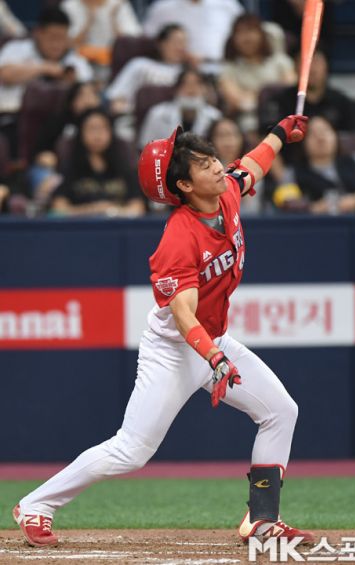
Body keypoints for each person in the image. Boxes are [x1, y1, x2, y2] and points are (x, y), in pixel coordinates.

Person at [13, 112, 312, 547]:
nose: (217, 166)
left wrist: (281, 132)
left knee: (281, 411)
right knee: (131, 450)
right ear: (185, 186)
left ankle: (263, 519)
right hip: (173, 350)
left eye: (212, 158)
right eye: (204, 164)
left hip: (213, 341)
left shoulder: (226, 191)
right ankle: (36, 505)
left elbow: (253, 164)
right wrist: (213, 356)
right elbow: (184, 314)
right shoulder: (178, 238)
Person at [0, 7, 93, 158]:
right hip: (12, 120)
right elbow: (5, 74)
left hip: (57, 126)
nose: (57, 44)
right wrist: (45, 68)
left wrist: (73, 85)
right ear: (38, 33)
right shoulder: (17, 49)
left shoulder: (75, 61)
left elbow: (89, 96)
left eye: (62, 38)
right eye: (52, 37)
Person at [272, 115, 355, 214]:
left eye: (325, 131)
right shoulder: (293, 173)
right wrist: (314, 208)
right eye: (313, 134)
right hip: (319, 227)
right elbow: (288, 202)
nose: (320, 138)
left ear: (336, 136)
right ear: (303, 142)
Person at [50, 108, 145, 217]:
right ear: (81, 133)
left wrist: (111, 211)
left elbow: (138, 207)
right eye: (91, 128)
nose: (97, 134)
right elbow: (58, 209)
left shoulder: (125, 167)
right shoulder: (70, 168)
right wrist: (94, 209)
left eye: (102, 128)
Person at [219, 13, 295, 133]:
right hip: (248, 124)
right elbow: (241, 103)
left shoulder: (281, 62)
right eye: (240, 32)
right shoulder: (228, 70)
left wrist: (254, 94)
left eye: (251, 31)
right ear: (233, 38)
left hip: (283, 118)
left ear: (261, 34)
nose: (246, 38)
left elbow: (290, 91)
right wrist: (271, 92)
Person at [259, 48, 355, 135]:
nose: (312, 68)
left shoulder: (341, 102)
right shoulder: (279, 101)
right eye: (305, 62)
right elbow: (267, 136)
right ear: (295, 68)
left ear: (326, 66)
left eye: (317, 61)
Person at [106, 24, 188, 116]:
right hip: (135, 116)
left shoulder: (188, 75)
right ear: (161, 44)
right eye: (176, 42)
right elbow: (116, 100)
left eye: (184, 42)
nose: (181, 47)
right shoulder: (140, 65)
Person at [143, 0, 243, 69]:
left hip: (225, 71)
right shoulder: (162, 8)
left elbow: (245, 35)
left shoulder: (228, 5)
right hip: (180, 74)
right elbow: (148, 42)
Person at [138, 68, 221, 149]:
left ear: (205, 90)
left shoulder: (215, 116)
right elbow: (146, 147)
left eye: (197, 84)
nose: (191, 89)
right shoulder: (158, 114)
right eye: (185, 84)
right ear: (176, 89)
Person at [61, 0, 141, 66]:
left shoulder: (118, 4)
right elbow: (67, 43)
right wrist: (89, 22)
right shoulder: (69, 5)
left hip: (115, 61)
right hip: (82, 61)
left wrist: (113, 21)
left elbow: (133, 42)